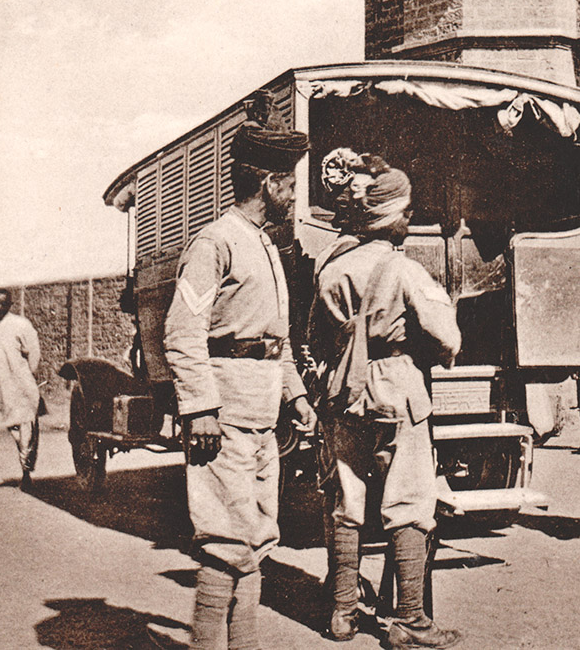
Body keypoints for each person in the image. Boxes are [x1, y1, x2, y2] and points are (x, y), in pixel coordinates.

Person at [164, 112, 316, 650]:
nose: (295, 195)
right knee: (224, 536)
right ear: (269, 184)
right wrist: (200, 407)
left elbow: (278, 338)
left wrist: (295, 395)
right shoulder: (215, 242)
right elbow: (183, 331)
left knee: (256, 533)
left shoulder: (268, 245)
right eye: (291, 184)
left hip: (262, 408)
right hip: (224, 408)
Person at [309, 154, 464, 649]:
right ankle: (411, 623)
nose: (410, 218)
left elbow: (314, 338)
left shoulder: (331, 269)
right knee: (409, 502)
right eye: (406, 211)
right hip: (397, 386)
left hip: (343, 392)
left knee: (347, 501)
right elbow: (447, 338)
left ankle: (341, 614)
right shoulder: (403, 269)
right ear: (389, 217)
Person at [0, 289, 41, 489]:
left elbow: (33, 353)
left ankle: (26, 473)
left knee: (24, 433)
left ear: (10, 305)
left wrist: (25, 377)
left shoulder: (20, 326)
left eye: (3, 304)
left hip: (18, 387)